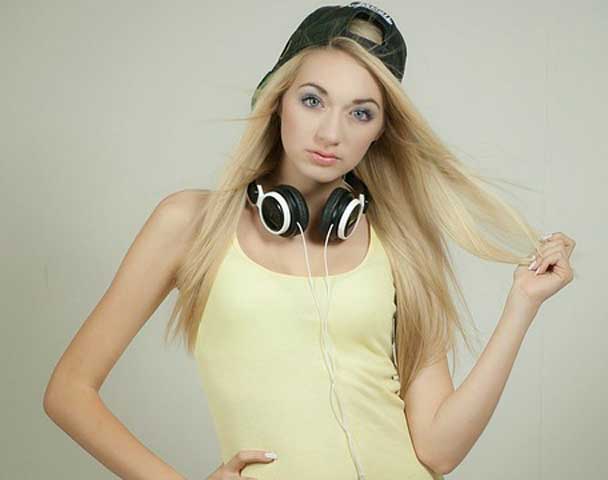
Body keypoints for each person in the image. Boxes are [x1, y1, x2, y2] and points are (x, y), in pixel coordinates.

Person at [43, 2, 577, 480]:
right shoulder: (189, 223)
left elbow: (438, 450)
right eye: (313, 100)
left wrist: (521, 306)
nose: (330, 133)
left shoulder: (402, 243)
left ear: (380, 131)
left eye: (360, 112)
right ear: (278, 101)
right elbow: (69, 391)